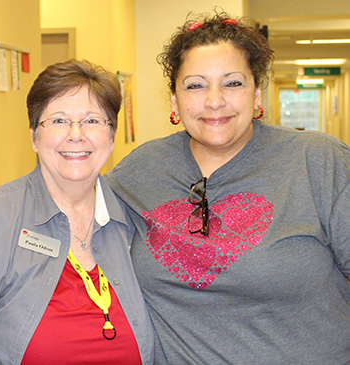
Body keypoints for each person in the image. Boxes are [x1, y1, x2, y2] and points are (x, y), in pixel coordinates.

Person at [105, 10, 350, 364]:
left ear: (257, 94)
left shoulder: (318, 161)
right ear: (175, 101)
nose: (214, 100)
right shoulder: (140, 170)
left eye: (232, 83)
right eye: (195, 85)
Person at [0, 59, 153, 364]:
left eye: (92, 120)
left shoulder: (135, 222)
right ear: (34, 135)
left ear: (111, 138)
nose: (75, 134)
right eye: (58, 121)